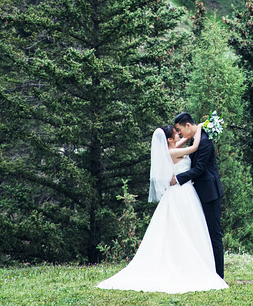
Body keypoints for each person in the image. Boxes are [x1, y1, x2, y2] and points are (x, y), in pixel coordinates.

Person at [96, 124, 228, 293]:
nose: (179, 135)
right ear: (169, 139)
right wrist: (200, 128)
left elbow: (184, 142)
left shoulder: (171, 149)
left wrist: (191, 132)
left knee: (185, 229)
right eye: (176, 134)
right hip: (182, 194)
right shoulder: (173, 152)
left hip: (183, 192)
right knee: (185, 229)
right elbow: (194, 147)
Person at [172, 111, 225, 279]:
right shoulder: (197, 138)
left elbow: (199, 169)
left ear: (188, 125)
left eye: (180, 130)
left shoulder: (205, 141)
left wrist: (177, 179)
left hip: (210, 193)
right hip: (198, 193)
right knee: (202, 233)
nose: (179, 133)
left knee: (214, 234)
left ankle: (219, 275)